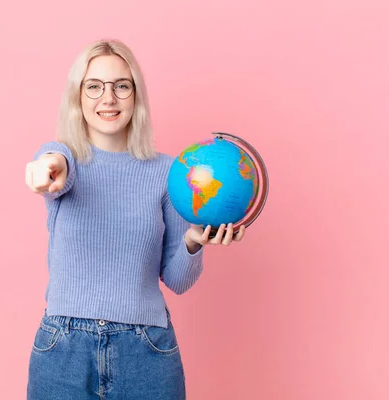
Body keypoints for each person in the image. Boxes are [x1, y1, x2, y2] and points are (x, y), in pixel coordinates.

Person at [24, 39, 245, 400]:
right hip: (64, 349)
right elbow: (52, 162)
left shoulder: (169, 174)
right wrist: (45, 169)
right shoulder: (65, 162)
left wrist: (194, 241)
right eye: (94, 86)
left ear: (135, 96)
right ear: (77, 97)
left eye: (120, 86)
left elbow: (177, 280)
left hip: (145, 349)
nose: (107, 98)